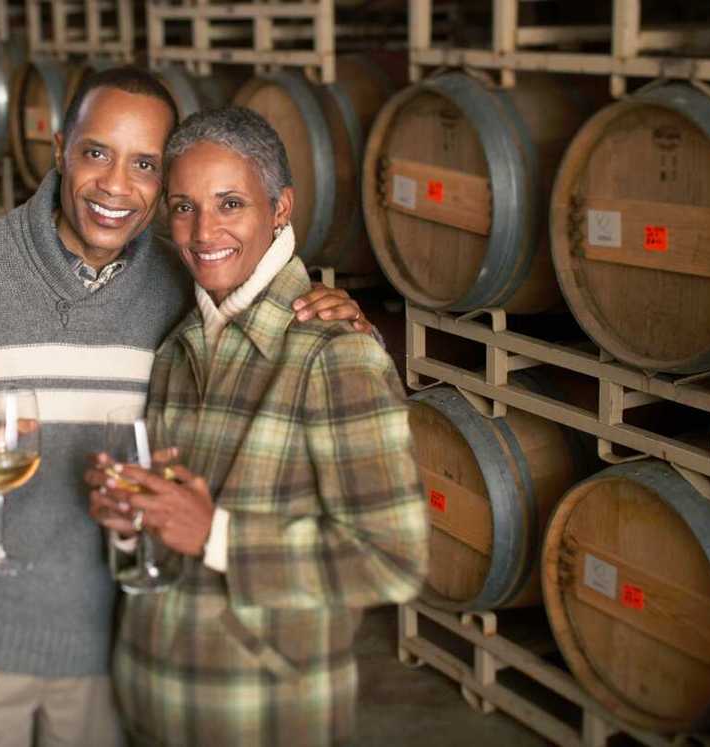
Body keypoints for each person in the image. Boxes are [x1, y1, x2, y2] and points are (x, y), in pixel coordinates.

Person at [0, 68, 370, 747]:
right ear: (59, 148)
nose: (114, 186)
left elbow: (249, 293)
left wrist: (333, 311)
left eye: (144, 165)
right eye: (96, 152)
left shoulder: (179, 285)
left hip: (115, 640)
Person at [87, 107, 428, 745]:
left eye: (230, 203)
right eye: (184, 206)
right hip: (149, 702)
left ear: (280, 208)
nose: (203, 230)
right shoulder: (176, 350)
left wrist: (215, 535)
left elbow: (392, 562)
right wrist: (133, 526)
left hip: (263, 718)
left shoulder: (334, 353)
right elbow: (164, 534)